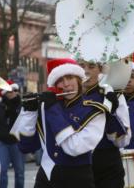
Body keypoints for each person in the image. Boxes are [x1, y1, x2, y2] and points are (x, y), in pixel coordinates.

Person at [10, 58, 108, 188]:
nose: (66, 84)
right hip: (45, 177)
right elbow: (26, 147)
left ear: (79, 80)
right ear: (54, 86)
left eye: (69, 78)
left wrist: (53, 109)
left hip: (77, 180)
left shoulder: (94, 110)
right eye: (60, 80)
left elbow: (74, 148)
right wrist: (29, 113)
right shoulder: (45, 107)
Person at [78, 59, 130, 188]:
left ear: (101, 70)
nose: (86, 71)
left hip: (107, 166)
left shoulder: (113, 95)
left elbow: (123, 141)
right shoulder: (69, 96)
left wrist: (111, 114)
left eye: (91, 67)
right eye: (81, 66)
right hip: (78, 166)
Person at [0, 80, 25, 188]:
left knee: (20, 172)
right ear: (4, 93)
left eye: (15, 90)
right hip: (2, 142)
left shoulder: (23, 106)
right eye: (10, 91)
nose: (13, 92)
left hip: (18, 142)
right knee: (2, 171)